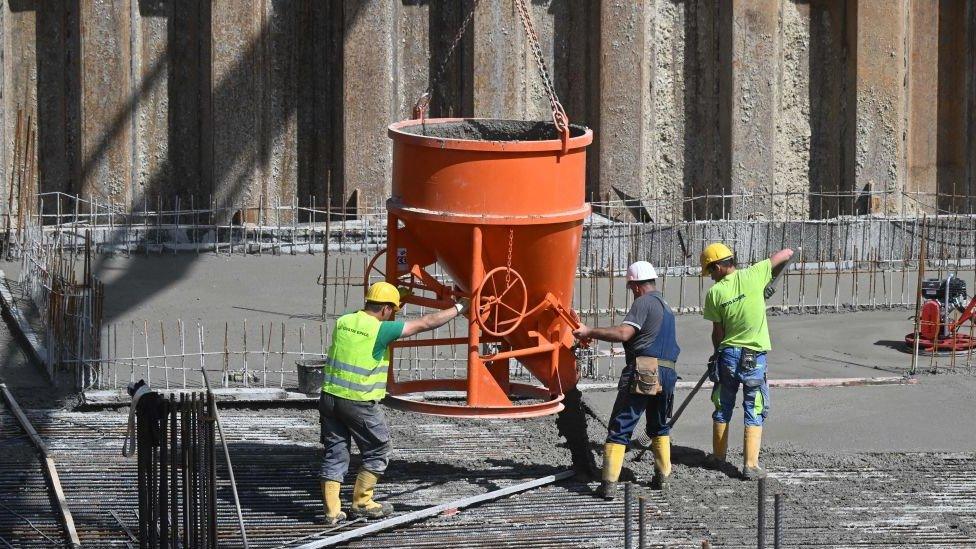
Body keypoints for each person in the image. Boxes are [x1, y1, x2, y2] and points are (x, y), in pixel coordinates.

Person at [319, 281, 468, 524]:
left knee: (335, 453)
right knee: (378, 450)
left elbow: (369, 316)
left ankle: (332, 512)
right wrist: (460, 307)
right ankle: (362, 502)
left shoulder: (344, 321)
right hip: (358, 403)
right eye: (393, 309)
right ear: (386, 309)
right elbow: (426, 323)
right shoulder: (381, 331)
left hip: (329, 399)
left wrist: (400, 296)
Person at [572, 261, 681, 499]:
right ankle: (663, 478)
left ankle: (608, 484)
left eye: (632, 288)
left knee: (620, 426)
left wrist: (589, 331)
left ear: (637, 286)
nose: (632, 292)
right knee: (659, 426)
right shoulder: (666, 306)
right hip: (669, 373)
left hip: (645, 369)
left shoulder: (644, 302)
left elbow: (624, 333)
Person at [699, 243, 793, 480]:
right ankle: (750, 465)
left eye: (711, 271)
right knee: (754, 406)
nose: (710, 277)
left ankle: (718, 457)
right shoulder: (755, 273)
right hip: (754, 355)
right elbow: (788, 254)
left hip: (729, 354)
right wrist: (768, 283)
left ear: (719, 266)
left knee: (723, 404)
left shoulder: (715, 293)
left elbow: (717, 332)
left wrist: (716, 354)